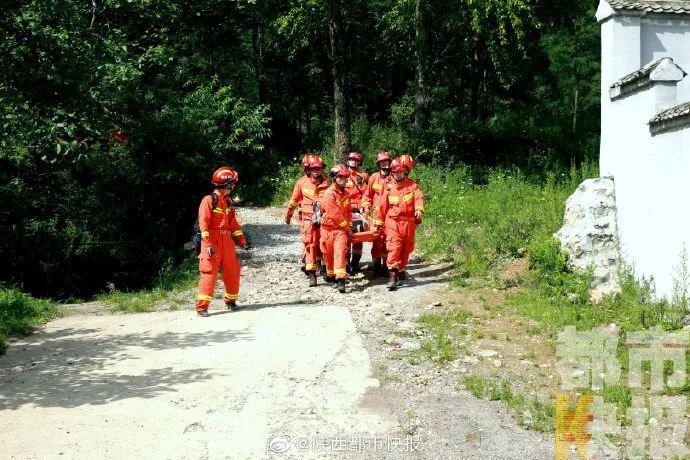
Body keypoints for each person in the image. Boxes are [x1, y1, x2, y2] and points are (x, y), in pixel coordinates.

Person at [195, 166, 248, 317]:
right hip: (211, 241)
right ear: (227, 185)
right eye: (232, 184)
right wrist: (208, 243)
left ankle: (230, 301)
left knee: (233, 270)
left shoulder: (228, 202)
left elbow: (233, 224)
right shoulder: (208, 200)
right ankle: (202, 307)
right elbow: (203, 223)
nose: (233, 186)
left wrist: (241, 239)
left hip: (227, 241)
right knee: (209, 272)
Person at [374, 157, 424, 290]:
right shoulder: (388, 186)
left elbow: (419, 198)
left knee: (406, 248)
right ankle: (392, 276)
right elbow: (382, 205)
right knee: (394, 247)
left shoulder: (412, 185)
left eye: (401, 172)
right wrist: (378, 222)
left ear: (405, 172)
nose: (399, 174)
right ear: (392, 173)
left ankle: (401, 270)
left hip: (408, 222)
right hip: (393, 222)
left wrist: (419, 210)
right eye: (396, 172)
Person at [285, 154, 329, 287]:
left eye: (319, 168)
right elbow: (293, 200)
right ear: (309, 169)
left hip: (323, 219)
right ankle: (312, 275)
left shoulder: (328, 184)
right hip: (308, 219)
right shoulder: (302, 183)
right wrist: (288, 215)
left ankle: (326, 270)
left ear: (322, 169)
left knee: (325, 244)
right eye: (313, 169)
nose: (316, 171)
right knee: (310, 245)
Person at [320, 164, 353, 293]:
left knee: (340, 253)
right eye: (340, 178)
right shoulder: (329, 194)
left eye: (345, 178)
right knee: (328, 254)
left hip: (340, 230)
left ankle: (341, 280)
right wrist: (347, 227)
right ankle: (332, 276)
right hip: (327, 228)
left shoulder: (346, 194)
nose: (343, 180)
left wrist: (348, 226)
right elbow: (334, 213)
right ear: (334, 178)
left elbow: (348, 212)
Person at [360, 150, 392, 276]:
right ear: (379, 164)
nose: (384, 164)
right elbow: (367, 195)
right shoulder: (374, 178)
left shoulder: (395, 177)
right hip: (377, 214)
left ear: (390, 162)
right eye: (382, 162)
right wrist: (366, 207)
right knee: (377, 240)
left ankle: (387, 265)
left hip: (391, 215)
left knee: (389, 240)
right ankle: (377, 264)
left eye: (386, 161)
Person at [344, 151, 369, 274]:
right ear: (347, 160)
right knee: (346, 237)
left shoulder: (362, 177)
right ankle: (346, 262)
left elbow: (366, 193)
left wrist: (364, 206)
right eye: (351, 159)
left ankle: (355, 263)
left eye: (355, 160)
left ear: (359, 162)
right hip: (345, 211)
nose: (353, 161)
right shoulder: (342, 175)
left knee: (358, 239)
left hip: (358, 211)